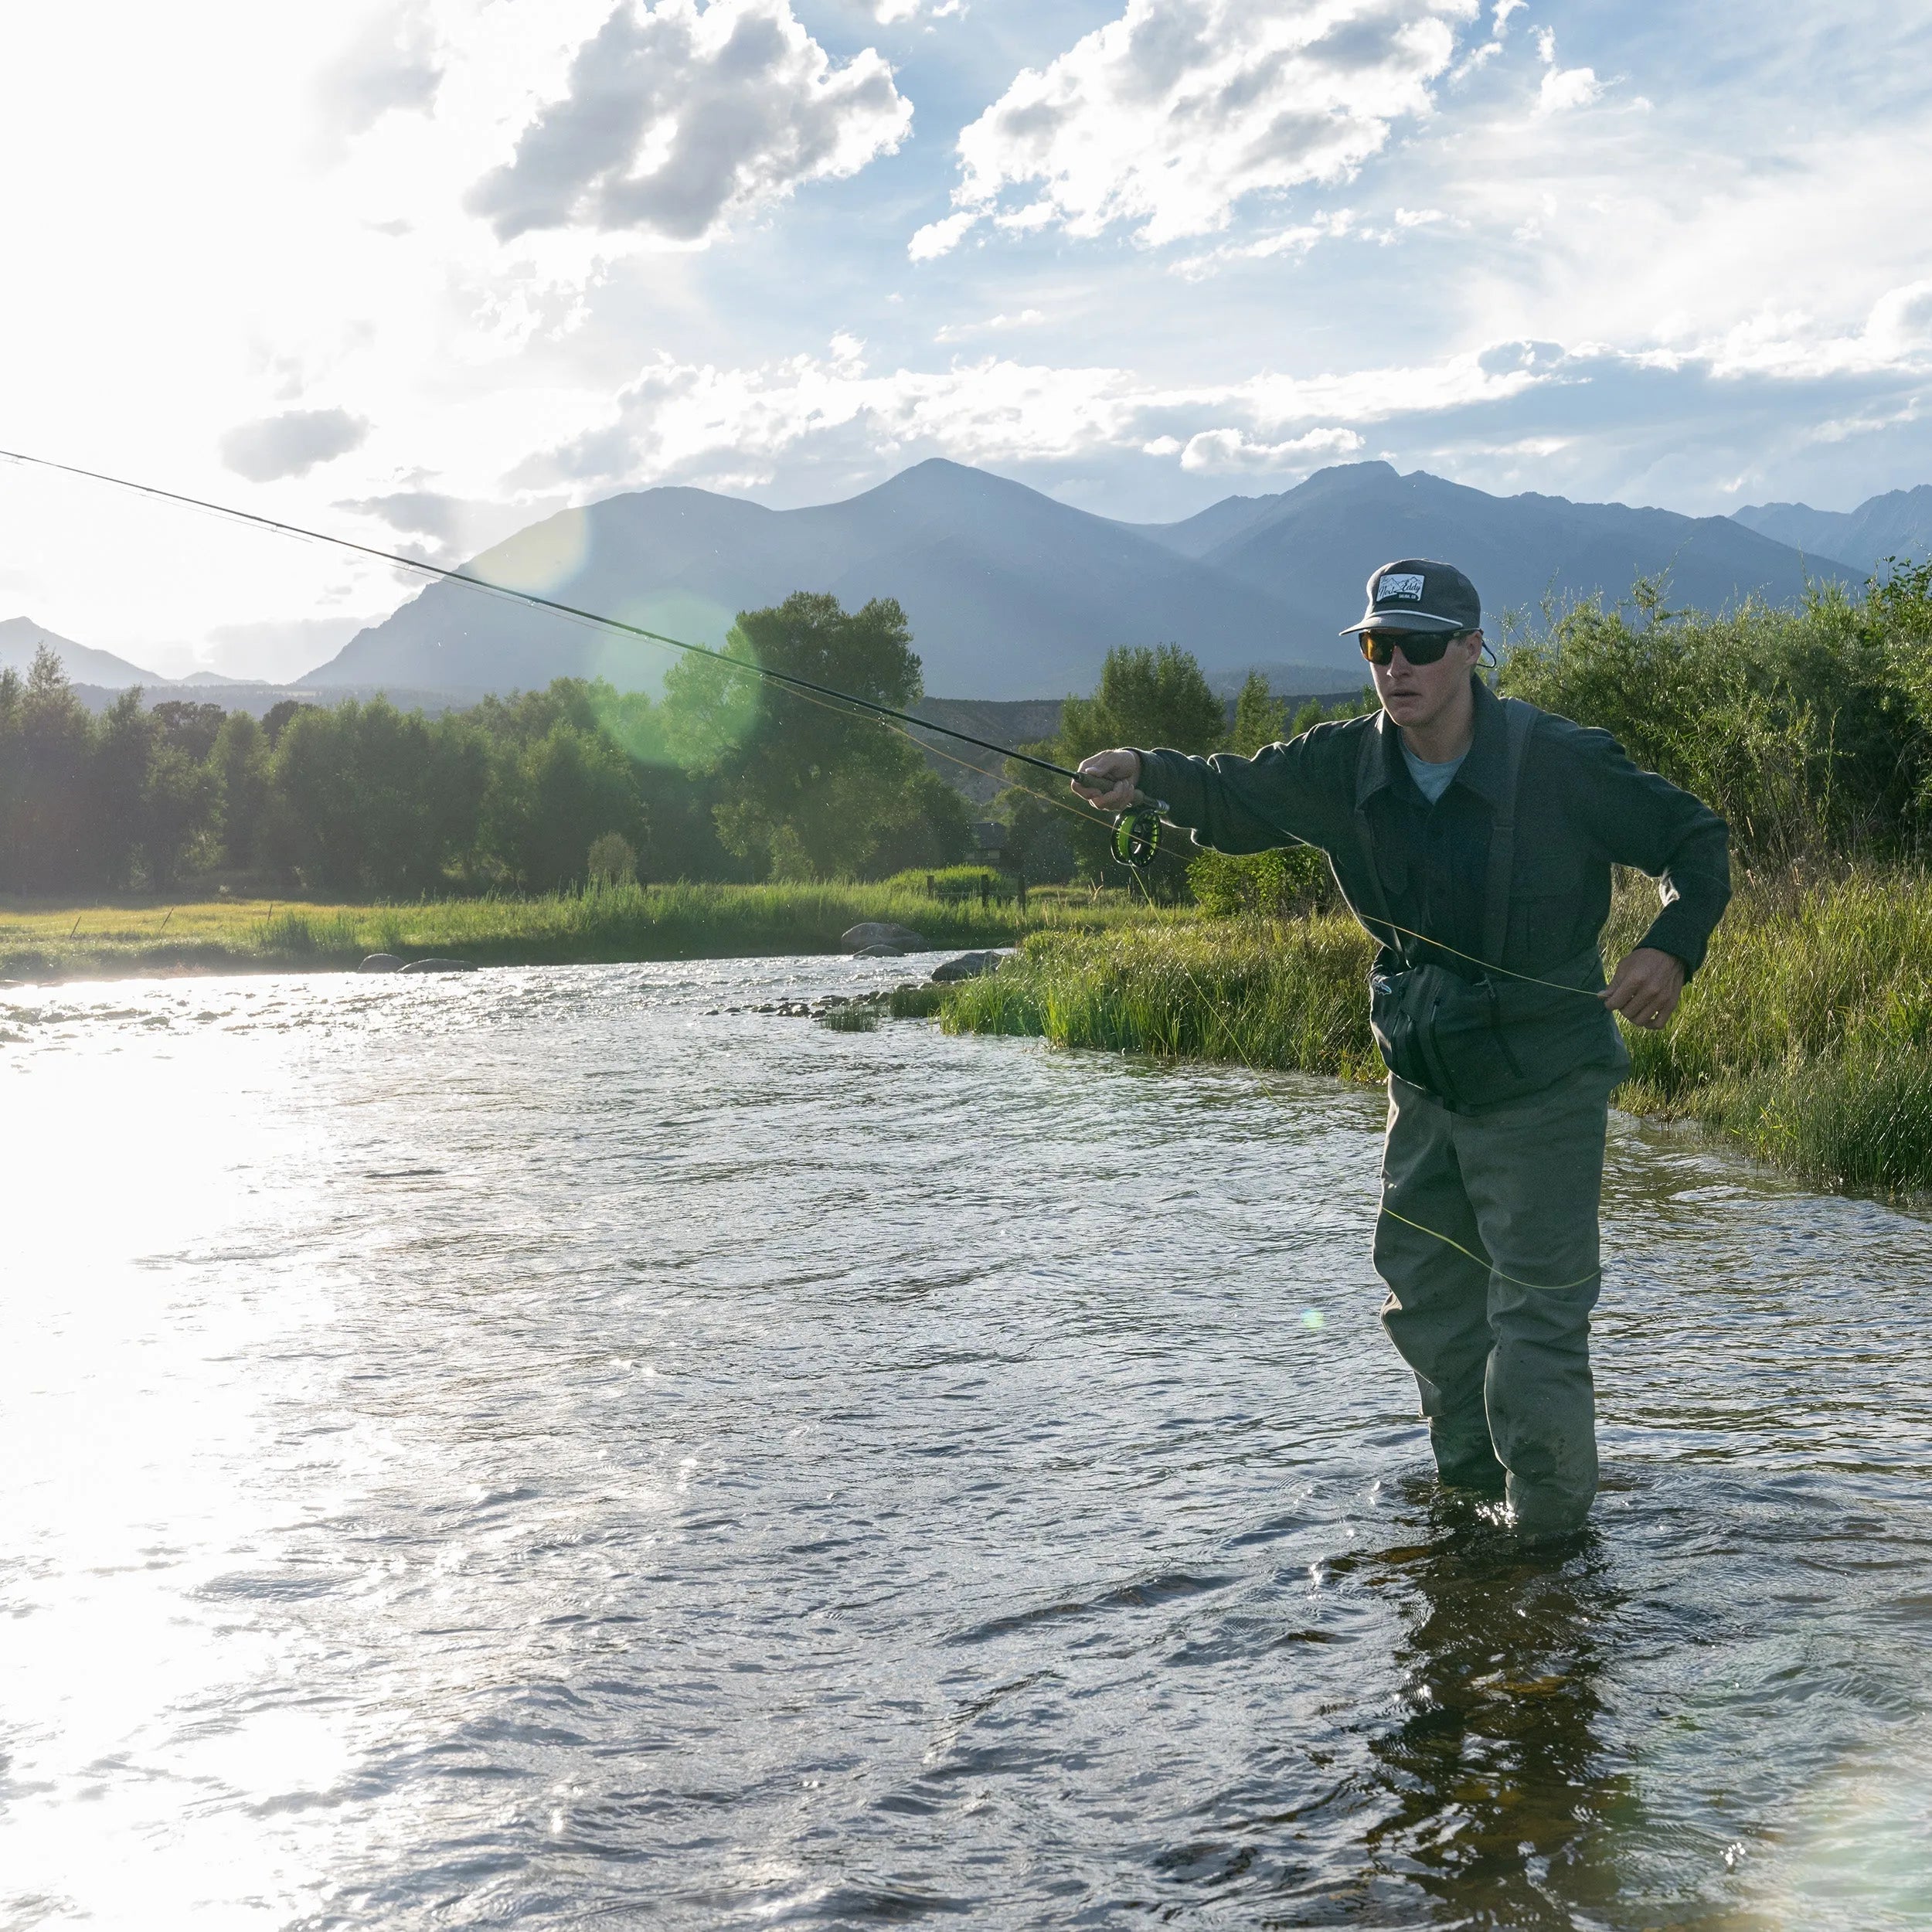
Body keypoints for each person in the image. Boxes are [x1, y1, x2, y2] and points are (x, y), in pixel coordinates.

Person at [1073, 559, 1730, 1540]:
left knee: (1535, 1324)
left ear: (1470, 649)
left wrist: (1669, 947)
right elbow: (1233, 791)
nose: (1398, 666)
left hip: (1544, 1083)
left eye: (1421, 645)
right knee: (1426, 1306)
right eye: (1380, 645)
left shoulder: (1559, 760)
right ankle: (1474, 1513)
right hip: (1422, 1083)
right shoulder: (1341, 763)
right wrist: (1144, 771)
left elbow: (1695, 839)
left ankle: (1547, 1550)